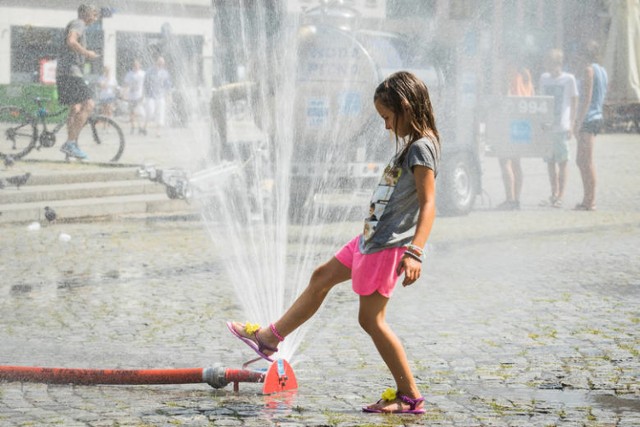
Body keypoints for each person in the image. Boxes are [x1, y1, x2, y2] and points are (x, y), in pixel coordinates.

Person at [227, 71, 440, 414]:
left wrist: (415, 252)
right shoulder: (413, 145)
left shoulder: (422, 148)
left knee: (372, 321)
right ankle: (268, 339)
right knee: (321, 276)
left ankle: (409, 396)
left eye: (387, 118)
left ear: (404, 106)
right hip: (369, 240)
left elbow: (428, 203)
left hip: (387, 246)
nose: (386, 126)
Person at [56, 3, 100, 160]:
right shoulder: (79, 23)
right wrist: (87, 53)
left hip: (65, 73)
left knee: (75, 109)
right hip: (71, 73)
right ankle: (70, 143)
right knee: (89, 104)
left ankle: (71, 148)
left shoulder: (76, 24)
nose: (95, 18)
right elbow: (71, 41)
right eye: (94, 14)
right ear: (86, 13)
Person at [538, 49, 578, 208]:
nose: (546, 67)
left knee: (562, 162)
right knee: (550, 162)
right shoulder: (543, 78)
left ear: (557, 64)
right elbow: (540, 101)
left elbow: (574, 102)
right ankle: (553, 193)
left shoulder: (569, 79)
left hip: (561, 126)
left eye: (549, 64)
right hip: (547, 128)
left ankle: (561, 195)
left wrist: (572, 124)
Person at [574, 40, 608, 211]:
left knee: (585, 162)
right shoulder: (602, 70)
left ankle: (590, 201)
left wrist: (578, 122)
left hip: (588, 118)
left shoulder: (589, 70)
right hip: (596, 116)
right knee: (581, 160)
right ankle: (587, 199)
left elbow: (586, 99)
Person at [497, 61, 535, 210]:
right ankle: (517, 199)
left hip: (510, 122)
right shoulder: (527, 77)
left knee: (505, 161)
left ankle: (510, 199)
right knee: (517, 163)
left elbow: (507, 99)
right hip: (523, 123)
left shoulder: (511, 76)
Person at [141, 56, 172, 137]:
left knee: (160, 114)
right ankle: (144, 126)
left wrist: (168, 96)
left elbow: (167, 85)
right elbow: (145, 84)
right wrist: (143, 95)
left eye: (162, 63)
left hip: (160, 96)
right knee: (150, 112)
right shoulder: (149, 72)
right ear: (156, 62)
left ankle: (158, 132)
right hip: (150, 96)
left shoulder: (165, 73)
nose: (160, 64)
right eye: (159, 62)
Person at [124, 59, 146, 135]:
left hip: (139, 96)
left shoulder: (143, 74)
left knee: (139, 112)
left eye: (137, 65)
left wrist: (144, 94)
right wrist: (124, 94)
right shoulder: (129, 74)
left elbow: (145, 85)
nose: (136, 66)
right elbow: (126, 85)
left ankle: (140, 126)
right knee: (132, 112)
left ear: (140, 65)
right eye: (134, 65)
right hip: (131, 96)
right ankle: (133, 127)